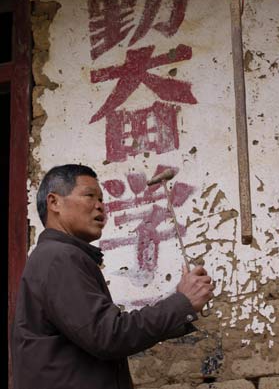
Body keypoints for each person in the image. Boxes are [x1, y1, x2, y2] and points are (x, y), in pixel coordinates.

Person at [11, 164, 214, 389]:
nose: (100, 206)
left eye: (101, 199)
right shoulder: (58, 257)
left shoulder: (60, 256)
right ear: (54, 202)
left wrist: (183, 303)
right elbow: (108, 335)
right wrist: (181, 304)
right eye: (89, 196)